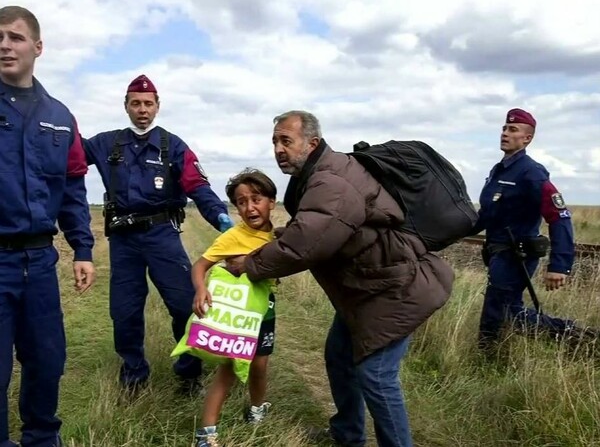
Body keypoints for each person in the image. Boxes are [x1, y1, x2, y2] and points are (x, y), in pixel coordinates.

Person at [237, 110, 453, 447]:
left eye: (286, 140)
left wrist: (250, 264)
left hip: (392, 289)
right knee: (339, 357)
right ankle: (348, 434)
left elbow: (305, 245)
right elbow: (320, 228)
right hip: (366, 288)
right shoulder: (320, 174)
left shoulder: (330, 181)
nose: (278, 149)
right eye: (275, 141)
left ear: (313, 142)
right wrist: (277, 240)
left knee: (377, 376)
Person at [82, 75, 234, 392]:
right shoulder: (105, 143)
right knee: (124, 313)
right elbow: (68, 158)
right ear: (126, 106)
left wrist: (220, 216)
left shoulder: (173, 146)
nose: (142, 109)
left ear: (158, 106)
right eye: (135, 103)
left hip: (162, 235)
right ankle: (134, 375)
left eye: (148, 104)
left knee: (184, 306)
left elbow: (197, 185)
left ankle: (189, 373)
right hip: (123, 240)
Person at [0, 5, 96, 447]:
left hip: (39, 261)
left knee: (46, 361)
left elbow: (74, 187)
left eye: (15, 37)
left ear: (37, 47)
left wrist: (82, 249)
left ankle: (41, 439)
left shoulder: (60, 117)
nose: (5, 45)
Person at [472, 108, 578, 350]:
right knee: (505, 309)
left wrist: (559, 266)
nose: (505, 133)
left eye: (512, 129)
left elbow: (559, 216)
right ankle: (572, 337)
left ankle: (573, 336)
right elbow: (485, 215)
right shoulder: (499, 171)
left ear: (527, 138)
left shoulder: (531, 172)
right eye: (504, 128)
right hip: (498, 253)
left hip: (517, 254)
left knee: (502, 311)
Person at [191, 168, 277, 447]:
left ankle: (257, 409)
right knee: (228, 367)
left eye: (257, 199)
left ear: (272, 202)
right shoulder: (232, 237)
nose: (250, 207)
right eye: (242, 202)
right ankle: (206, 433)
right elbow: (200, 265)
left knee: (260, 365)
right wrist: (201, 289)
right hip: (237, 312)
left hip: (265, 311)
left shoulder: (280, 237)